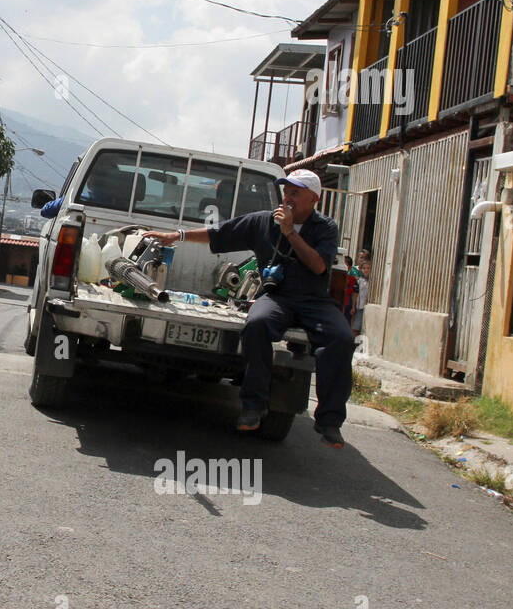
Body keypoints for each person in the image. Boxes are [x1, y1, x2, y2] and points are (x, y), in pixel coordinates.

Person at [143, 169, 355, 449]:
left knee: (341, 339)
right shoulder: (263, 222)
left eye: (295, 193)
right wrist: (176, 235)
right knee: (256, 325)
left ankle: (329, 421)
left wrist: (290, 232)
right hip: (277, 296)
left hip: (314, 300)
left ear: (314, 198)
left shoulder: (325, 228)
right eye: (286, 192)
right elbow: (218, 234)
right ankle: (254, 406)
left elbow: (318, 266)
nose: (287, 198)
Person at [352, 259, 372, 337]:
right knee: (356, 326)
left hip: (369, 306)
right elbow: (355, 294)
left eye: (368, 268)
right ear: (361, 270)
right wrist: (353, 307)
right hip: (360, 306)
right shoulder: (359, 281)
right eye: (364, 268)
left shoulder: (373, 280)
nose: (366, 270)